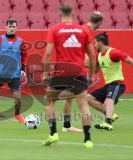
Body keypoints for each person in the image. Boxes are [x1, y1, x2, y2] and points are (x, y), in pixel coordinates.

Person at [42, 3, 96, 148]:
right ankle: (88, 139)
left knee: (48, 99)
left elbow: (47, 54)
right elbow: (91, 54)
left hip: (61, 72)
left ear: (60, 14)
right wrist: (90, 75)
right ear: (73, 14)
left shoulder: (55, 29)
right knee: (83, 105)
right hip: (79, 72)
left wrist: (46, 73)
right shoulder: (83, 30)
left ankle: (53, 133)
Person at [88, 32, 133, 130]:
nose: (93, 45)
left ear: (100, 43)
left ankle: (108, 122)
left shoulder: (113, 52)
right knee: (88, 98)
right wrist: (87, 63)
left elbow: (131, 61)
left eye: (95, 43)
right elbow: (96, 70)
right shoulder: (99, 55)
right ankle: (110, 114)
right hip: (108, 85)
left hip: (117, 84)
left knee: (109, 100)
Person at [62, 11, 104, 133]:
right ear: (99, 23)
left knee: (70, 97)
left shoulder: (80, 29)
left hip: (70, 67)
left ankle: (67, 125)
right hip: (76, 69)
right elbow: (86, 56)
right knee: (80, 98)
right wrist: (94, 66)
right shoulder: (86, 32)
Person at [0, 18, 27, 123]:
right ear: (6, 27)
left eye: (13, 26)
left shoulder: (21, 42)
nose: (11, 28)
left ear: (16, 28)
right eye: (10, 26)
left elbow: (24, 56)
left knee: (17, 96)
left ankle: (17, 115)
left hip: (14, 74)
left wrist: (23, 69)